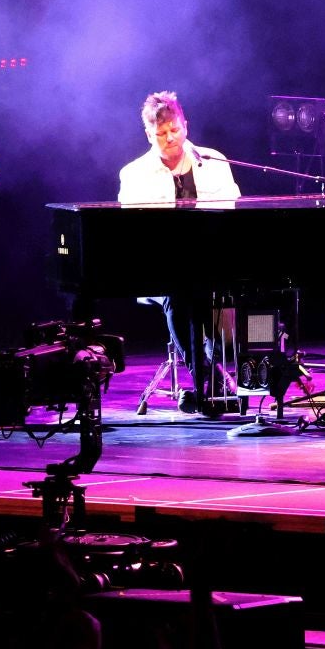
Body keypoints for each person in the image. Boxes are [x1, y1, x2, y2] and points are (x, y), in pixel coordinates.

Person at [118, 91, 241, 414]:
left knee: (217, 291)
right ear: (148, 134)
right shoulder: (133, 173)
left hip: (210, 265)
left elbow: (232, 215)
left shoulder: (213, 161)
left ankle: (219, 376)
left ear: (185, 124)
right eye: (160, 134)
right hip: (158, 271)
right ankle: (208, 381)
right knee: (181, 294)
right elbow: (133, 233)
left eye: (175, 129)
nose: (170, 138)